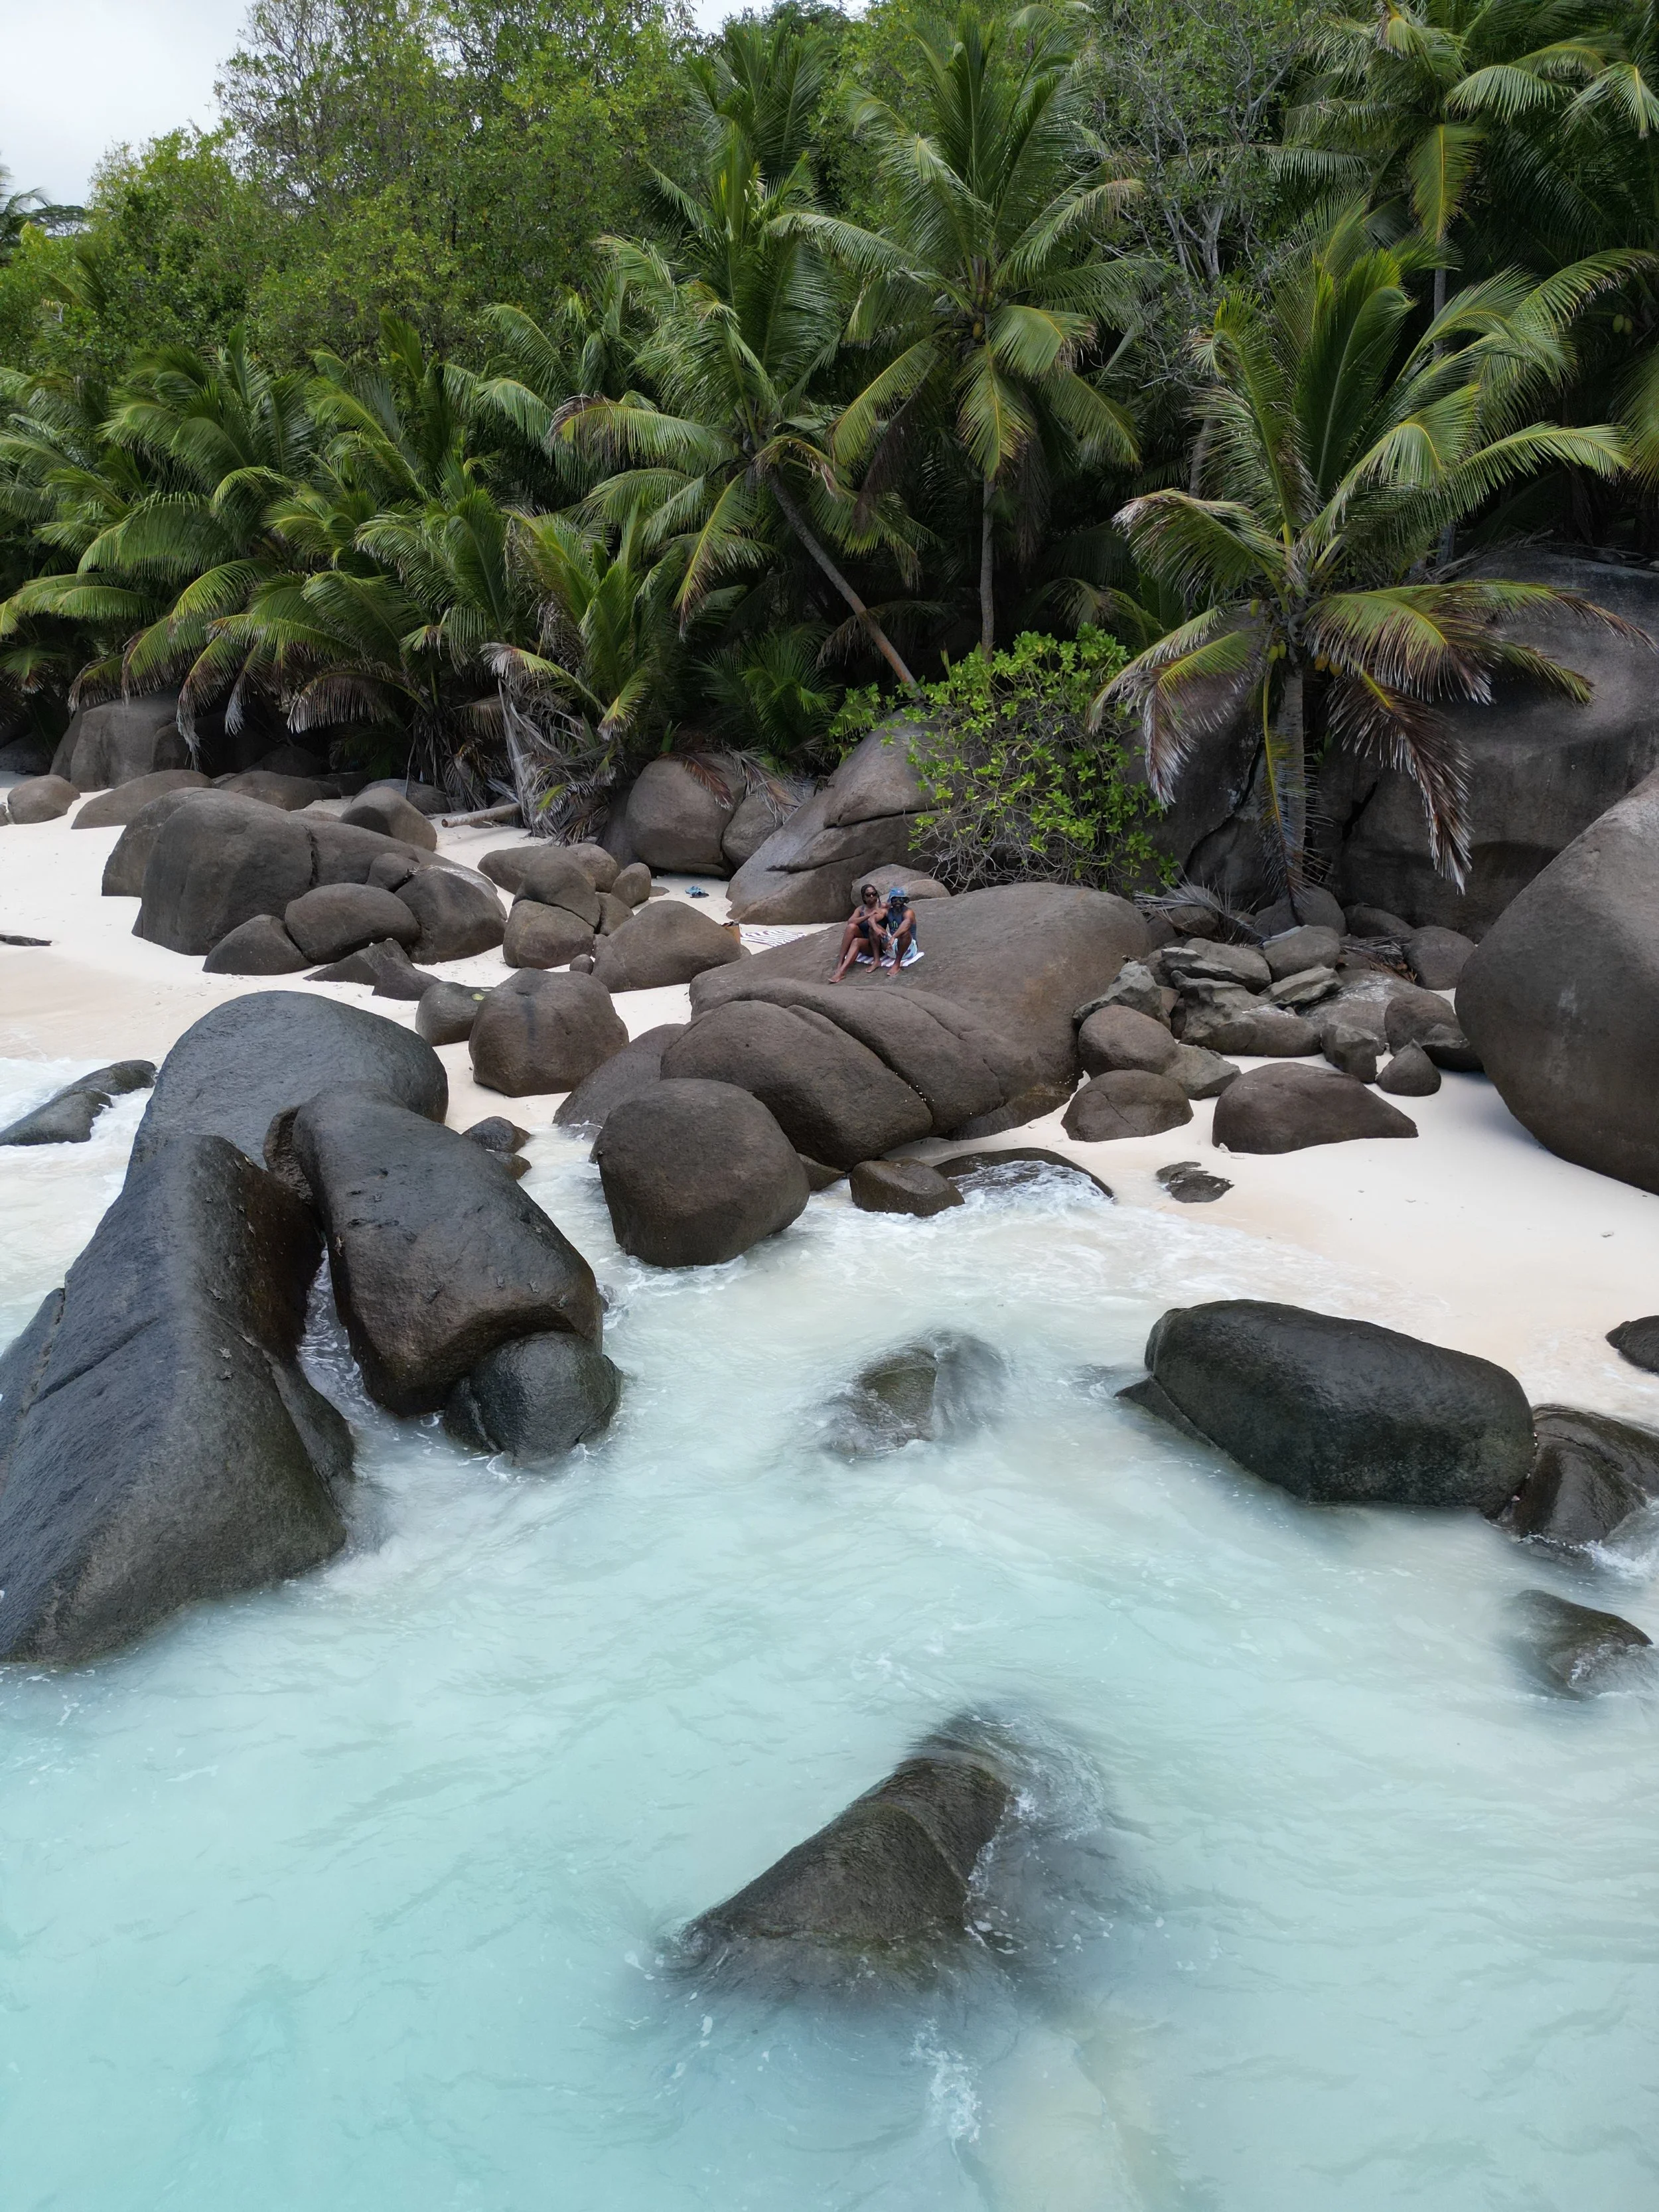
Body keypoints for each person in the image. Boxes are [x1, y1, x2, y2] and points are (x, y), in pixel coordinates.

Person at [830, 883, 887, 982]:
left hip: (877, 942)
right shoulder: (861, 909)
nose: (872, 897)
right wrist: (867, 916)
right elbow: (850, 922)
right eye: (868, 895)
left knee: (858, 939)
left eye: (874, 894)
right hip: (865, 941)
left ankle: (841, 972)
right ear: (864, 898)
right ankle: (841, 962)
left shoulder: (883, 907)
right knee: (851, 927)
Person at [879, 887, 922, 976]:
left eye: (900, 899)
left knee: (905, 933)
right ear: (891, 901)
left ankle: (897, 964)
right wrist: (874, 925)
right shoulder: (888, 912)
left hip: (908, 949)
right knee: (875, 930)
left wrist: (893, 937)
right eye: (895, 899)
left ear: (904, 901)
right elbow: (873, 917)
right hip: (891, 948)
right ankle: (876, 959)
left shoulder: (908, 912)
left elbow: (907, 923)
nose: (898, 902)